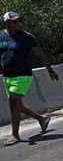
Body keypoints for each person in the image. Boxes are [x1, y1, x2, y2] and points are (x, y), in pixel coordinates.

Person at [1, 11, 59, 146]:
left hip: (23, 75)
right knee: (17, 105)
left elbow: (40, 53)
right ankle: (42, 119)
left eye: (20, 20)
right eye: (15, 21)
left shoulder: (27, 37)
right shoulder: (1, 36)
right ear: (7, 23)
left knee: (14, 100)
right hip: (7, 75)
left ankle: (15, 135)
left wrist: (49, 69)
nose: (19, 23)